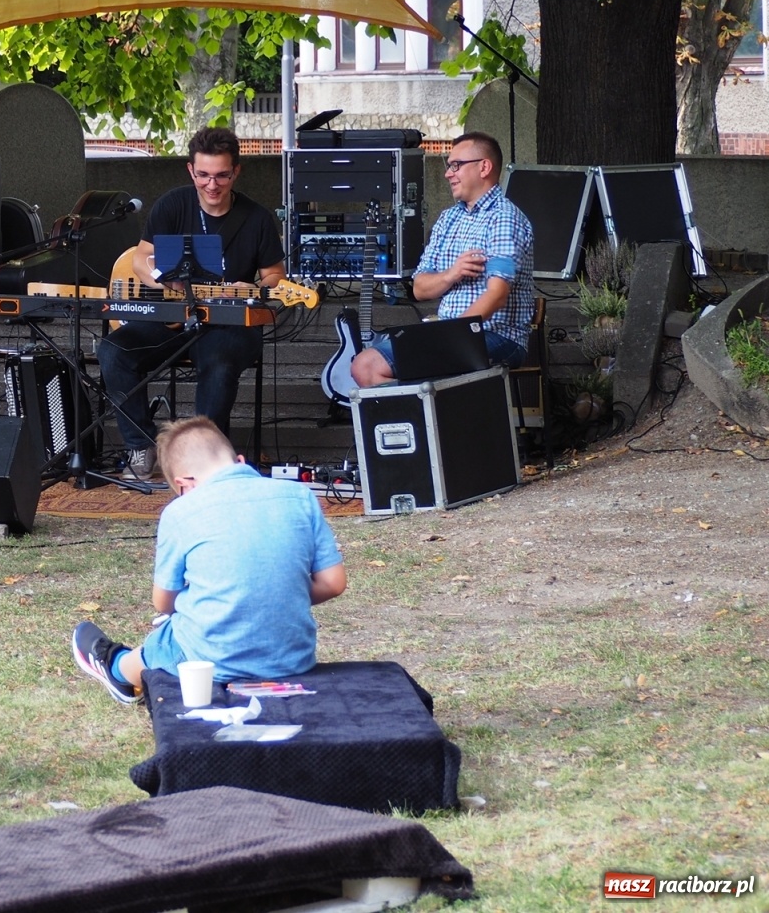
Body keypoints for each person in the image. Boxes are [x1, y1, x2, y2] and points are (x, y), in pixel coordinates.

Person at [72, 417, 347, 704]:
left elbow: (163, 602)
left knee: (169, 638)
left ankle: (118, 670)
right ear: (240, 461)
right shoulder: (301, 496)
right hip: (294, 659)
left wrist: (217, 601)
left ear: (184, 484)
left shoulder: (181, 511)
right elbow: (333, 583)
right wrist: (277, 594)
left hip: (215, 661)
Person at [96, 126, 286, 480]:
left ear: (236, 172)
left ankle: (205, 461)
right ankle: (141, 444)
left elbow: (275, 276)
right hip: (170, 316)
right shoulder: (172, 204)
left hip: (228, 324)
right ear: (190, 170)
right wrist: (160, 279)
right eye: (203, 176)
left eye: (221, 176)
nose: (211, 185)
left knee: (219, 357)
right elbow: (141, 258)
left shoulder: (257, 218)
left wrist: (255, 285)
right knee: (113, 349)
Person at [350, 131, 535, 388]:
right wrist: (452, 273)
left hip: (496, 336)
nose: (448, 174)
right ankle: (426, 422)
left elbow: (497, 295)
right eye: (449, 167)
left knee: (371, 367)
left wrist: (451, 337)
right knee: (363, 365)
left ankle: (432, 421)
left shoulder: (503, 218)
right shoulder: (449, 219)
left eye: (456, 165)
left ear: (484, 167)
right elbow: (419, 288)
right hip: (451, 334)